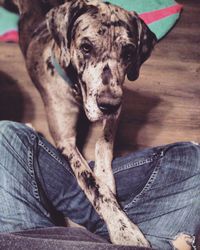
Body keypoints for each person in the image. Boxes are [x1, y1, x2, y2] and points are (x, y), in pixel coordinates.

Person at [0, 120, 199, 250]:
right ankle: (96, 213)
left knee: (6, 135)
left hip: (24, 238)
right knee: (193, 159)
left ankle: (91, 209)